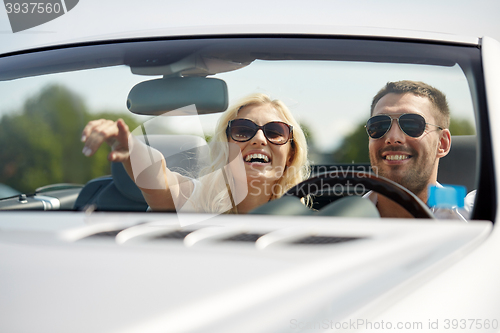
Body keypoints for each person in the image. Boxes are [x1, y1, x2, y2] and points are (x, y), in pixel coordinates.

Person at [81, 93, 310, 214]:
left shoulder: (310, 220)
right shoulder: (201, 200)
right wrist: (130, 147)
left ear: (290, 154)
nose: (259, 139)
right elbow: (160, 177)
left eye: (275, 132)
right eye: (243, 130)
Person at [364, 80, 474, 218]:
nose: (392, 137)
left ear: (442, 143)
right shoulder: (339, 223)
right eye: (378, 126)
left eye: (412, 125)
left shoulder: (475, 217)